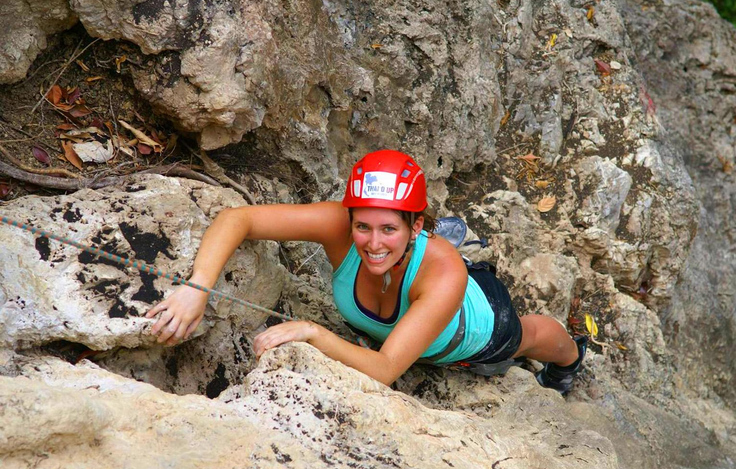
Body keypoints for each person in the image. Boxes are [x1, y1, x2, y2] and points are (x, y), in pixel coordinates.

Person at [147, 150, 587, 395]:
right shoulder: (337, 224)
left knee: (524, 338)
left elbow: (384, 370)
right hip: (420, 296)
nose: (372, 243)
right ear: (349, 217)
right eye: (363, 226)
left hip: (476, 323)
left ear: (416, 224)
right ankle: (453, 238)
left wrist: (312, 333)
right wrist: (196, 288)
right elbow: (236, 219)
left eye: (389, 229)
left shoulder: (443, 274)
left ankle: (573, 359)